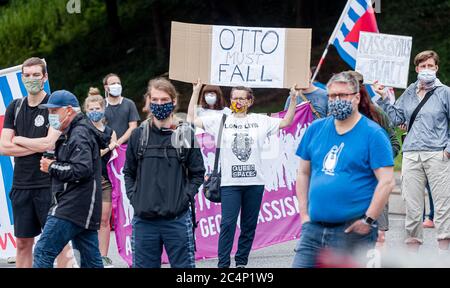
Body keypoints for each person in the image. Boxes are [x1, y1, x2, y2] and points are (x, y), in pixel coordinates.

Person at [189, 81, 299, 268]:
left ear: (250, 101)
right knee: (228, 225)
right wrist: (196, 91)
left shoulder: (260, 120)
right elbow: (192, 118)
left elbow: (286, 122)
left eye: (242, 98)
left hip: (254, 183)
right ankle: (223, 265)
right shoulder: (221, 120)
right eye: (234, 98)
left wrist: (294, 99)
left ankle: (241, 262)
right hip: (230, 183)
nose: (238, 101)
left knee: (249, 226)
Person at [292, 71, 395, 268]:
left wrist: (368, 219)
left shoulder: (373, 134)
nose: (336, 100)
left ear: (356, 97)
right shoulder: (316, 129)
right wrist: (304, 215)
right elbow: (303, 172)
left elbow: (387, 181)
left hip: (352, 231)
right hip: (313, 229)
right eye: (332, 96)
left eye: (342, 96)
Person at [124, 78, 205, 268]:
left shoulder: (184, 134)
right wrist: (135, 197)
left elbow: (197, 173)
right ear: (149, 102)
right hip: (144, 222)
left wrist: (183, 198)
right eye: (155, 100)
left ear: (174, 101)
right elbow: (128, 172)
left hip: (176, 220)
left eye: (164, 100)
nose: (159, 104)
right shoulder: (139, 135)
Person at [374, 50, 450, 253]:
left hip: (437, 153)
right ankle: (412, 252)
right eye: (423, 66)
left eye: (430, 66)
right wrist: (383, 98)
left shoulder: (445, 92)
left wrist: (448, 150)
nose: (427, 70)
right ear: (417, 69)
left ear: (436, 68)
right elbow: (396, 119)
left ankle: (444, 251)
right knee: (413, 206)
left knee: (443, 205)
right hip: (411, 154)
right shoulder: (409, 91)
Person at [0, 57, 73, 268]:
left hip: (49, 184)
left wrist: (20, 140)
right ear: (22, 78)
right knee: (23, 243)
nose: (31, 79)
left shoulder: (55, 105)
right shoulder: (15, 106)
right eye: (27, 75)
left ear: (45, 77)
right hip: (21, 185)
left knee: (58, 243)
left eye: (36, 75)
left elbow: (49, 142)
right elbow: (4, 147)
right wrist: (37, 145)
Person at [32, 90, 109, 268]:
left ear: (68, 110)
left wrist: (51, 167)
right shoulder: (77, 131)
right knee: (91, 262)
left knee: (43, 251)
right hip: (84, 207)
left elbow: (82, 169)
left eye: (53, 111)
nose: (50, 115)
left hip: (71, 207)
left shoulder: (79, 133)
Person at [347, 71, 401, 244]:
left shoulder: (377, 113)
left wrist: (381, 162)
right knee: (346, 233)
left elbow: (394, 141)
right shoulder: (338, 115)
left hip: (376, 181)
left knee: (379, 235)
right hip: (349, 181)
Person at [84, 88, 118, 268]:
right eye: (90, 109)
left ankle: (103, 257)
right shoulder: (82, 130)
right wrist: (109, 147)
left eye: (97, 108)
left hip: (104, 181)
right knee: (87, 220)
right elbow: (92, 154)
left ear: (103, 109)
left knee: (104, 220)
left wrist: (113, 145)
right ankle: (88, 256)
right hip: (85, 181)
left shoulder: (110, 132)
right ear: (86, 111)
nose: (94, 112)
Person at [103, 73, 140, 146]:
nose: (116, 85)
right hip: (106, 147)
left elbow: (133, 127)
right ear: (106, 88)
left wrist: (119, 142)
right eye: (113, 83)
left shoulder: (129, 104)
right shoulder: (101, 105)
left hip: (126, 147)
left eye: (118, 83)